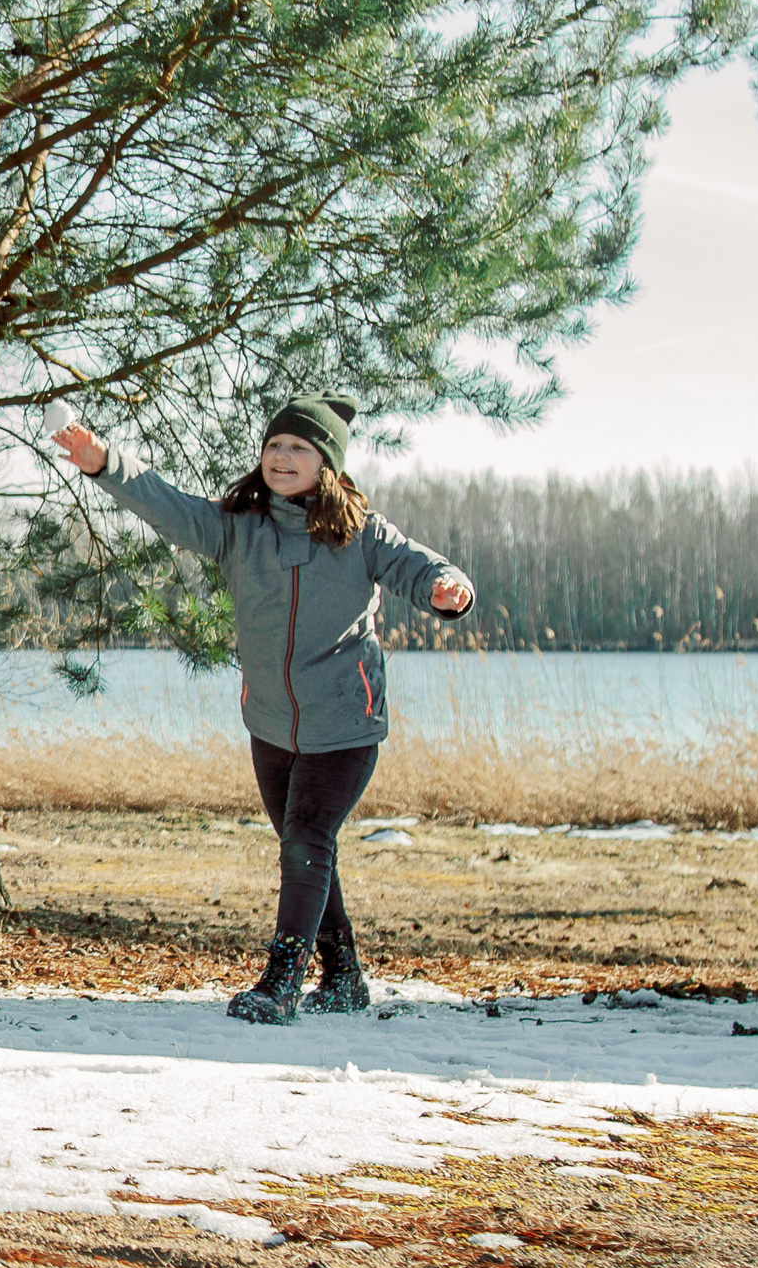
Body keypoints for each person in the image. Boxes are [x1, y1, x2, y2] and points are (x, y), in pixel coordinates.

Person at [51, 395, 475, 1024]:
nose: (283, 457)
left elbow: (419, 568)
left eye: (300, 448)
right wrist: (103, 461)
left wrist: (447, 588)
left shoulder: (363, 534)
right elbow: (169, 506)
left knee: (306, 838)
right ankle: (345, 977)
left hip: (344, 722)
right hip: (271, 723)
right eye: (276, 445)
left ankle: (281, 981)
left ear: (327, 463)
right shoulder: (238, 526)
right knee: (306, 844)